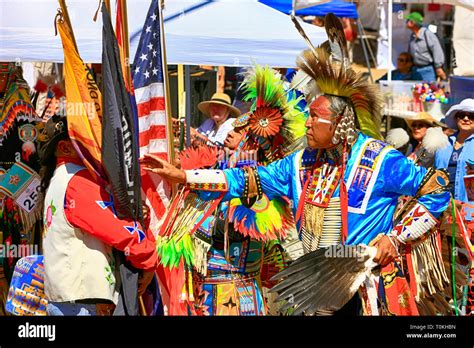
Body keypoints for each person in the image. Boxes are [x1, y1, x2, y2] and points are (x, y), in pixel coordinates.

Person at [142, 45, 452, 316]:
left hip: (362, 284)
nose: (307, 123)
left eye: (315, 117)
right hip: (314, 280)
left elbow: (437, 188)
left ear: (340, 124)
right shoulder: (300, 163)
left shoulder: (381, 160)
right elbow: (247, 177)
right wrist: (184, 175)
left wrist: (394, 239)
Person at [151, 65, 305, 316]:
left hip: (235, 287)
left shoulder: (258, 183)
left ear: (252, 142)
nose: (230, 134)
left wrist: (191, 186)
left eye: (239, 132)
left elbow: (233, 220)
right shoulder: (225, 167)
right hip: (212, 286)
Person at [38, 115, 158, 315]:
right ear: (65, 147)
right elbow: (116, 231)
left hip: (72, 301)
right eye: (87, 136)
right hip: (81, 304)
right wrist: (148, 258)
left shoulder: (63, 179)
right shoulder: (77, 180)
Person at [435, 98, 474, 219]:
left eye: (471, 116)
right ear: (456, 119)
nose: (466, 119)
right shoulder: (443, 142)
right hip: (442, 208)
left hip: (469, 210)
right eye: (462, 115)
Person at [405, 12, 446, 82]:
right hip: (415, 70)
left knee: (428, 91)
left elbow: (436, 50)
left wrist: (438, 67)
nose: (406, 23)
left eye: (407, 20)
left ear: (412, 22)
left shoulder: (427, 34)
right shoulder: (412, 36)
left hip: (427, 71)